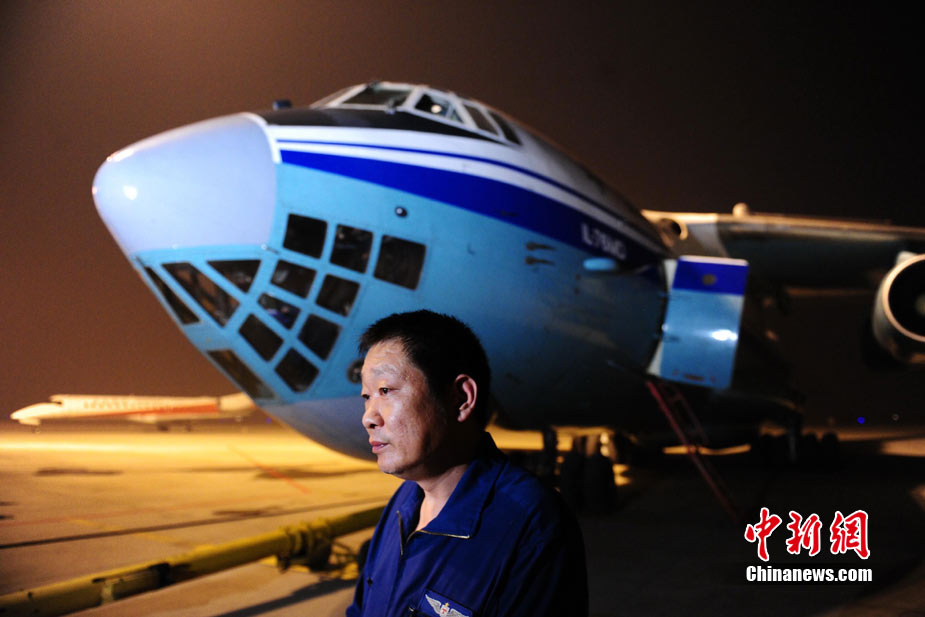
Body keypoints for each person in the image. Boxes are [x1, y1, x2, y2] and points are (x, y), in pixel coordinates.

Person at [347, 310, 588, 617]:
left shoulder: (531, 527)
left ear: (461, 398)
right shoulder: (403, 503)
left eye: (385, 391)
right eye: (367, 397)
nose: (368, 417)